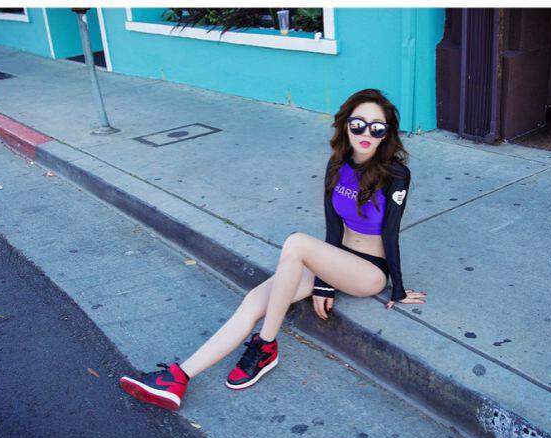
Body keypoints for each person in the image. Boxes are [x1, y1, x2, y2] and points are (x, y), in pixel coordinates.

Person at [119, 88, 427, 411]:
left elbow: (391, 232)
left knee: (296, 243)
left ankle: (265, 344)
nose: (366, 134)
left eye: (377, 128)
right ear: (345, 125)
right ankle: (179, 377)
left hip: (368, 271)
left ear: (387, 133)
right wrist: (324, 282)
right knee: (255, 299)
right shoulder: (337, 165)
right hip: (335, 259)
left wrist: (398, 289)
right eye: (358, 124)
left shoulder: (396, 175)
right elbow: (334, 228)